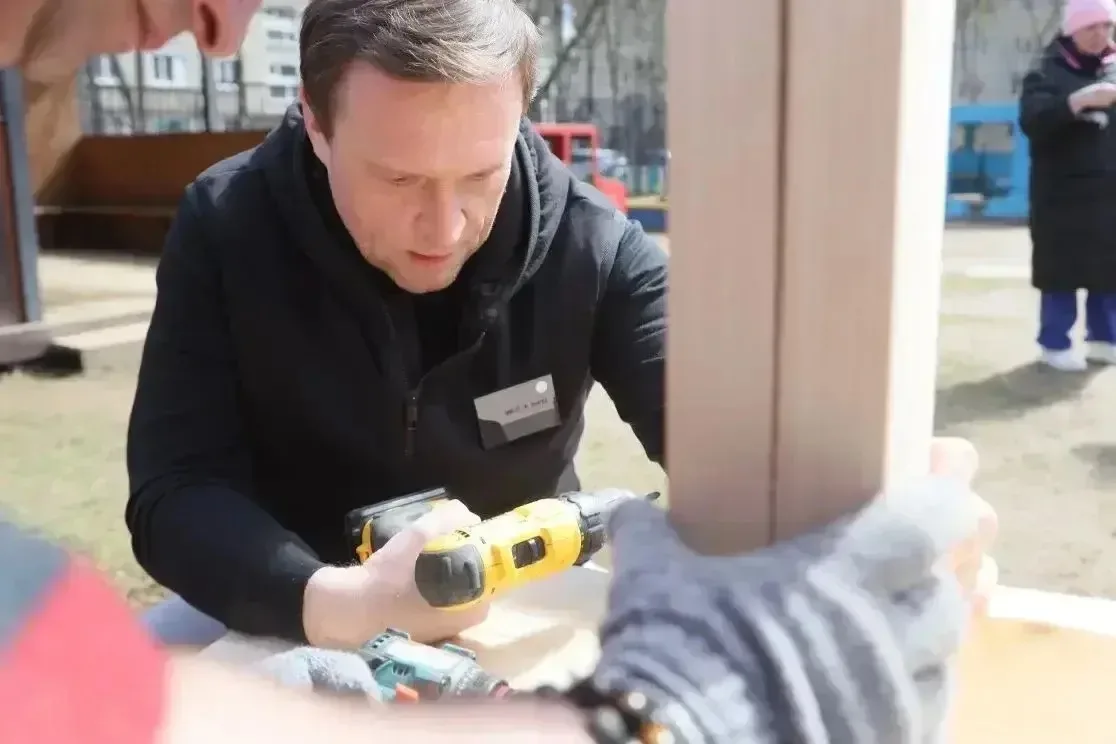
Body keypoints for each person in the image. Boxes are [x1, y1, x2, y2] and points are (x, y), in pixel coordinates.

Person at [125, 0, 670, 649]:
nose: (444, 229)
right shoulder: (226, 225)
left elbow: (733, 448)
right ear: (315, 120)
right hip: (286, 603)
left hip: (524, 605)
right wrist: (340, 603)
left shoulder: (596, 248)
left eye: (480, 174)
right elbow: (174, 490)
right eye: (399, 178)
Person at [1020, 0, 1116, 371]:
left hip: (1108, 195)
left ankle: (1105, 339)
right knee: (1060, 272)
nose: (1100, 34)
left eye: (1107, 26)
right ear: (1072, 30)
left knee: (1108, 271)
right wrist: (1076, 102)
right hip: (1061, 196)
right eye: (1091, 27)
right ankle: (1054, 344)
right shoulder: (1045, 71)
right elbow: (1032, 121)